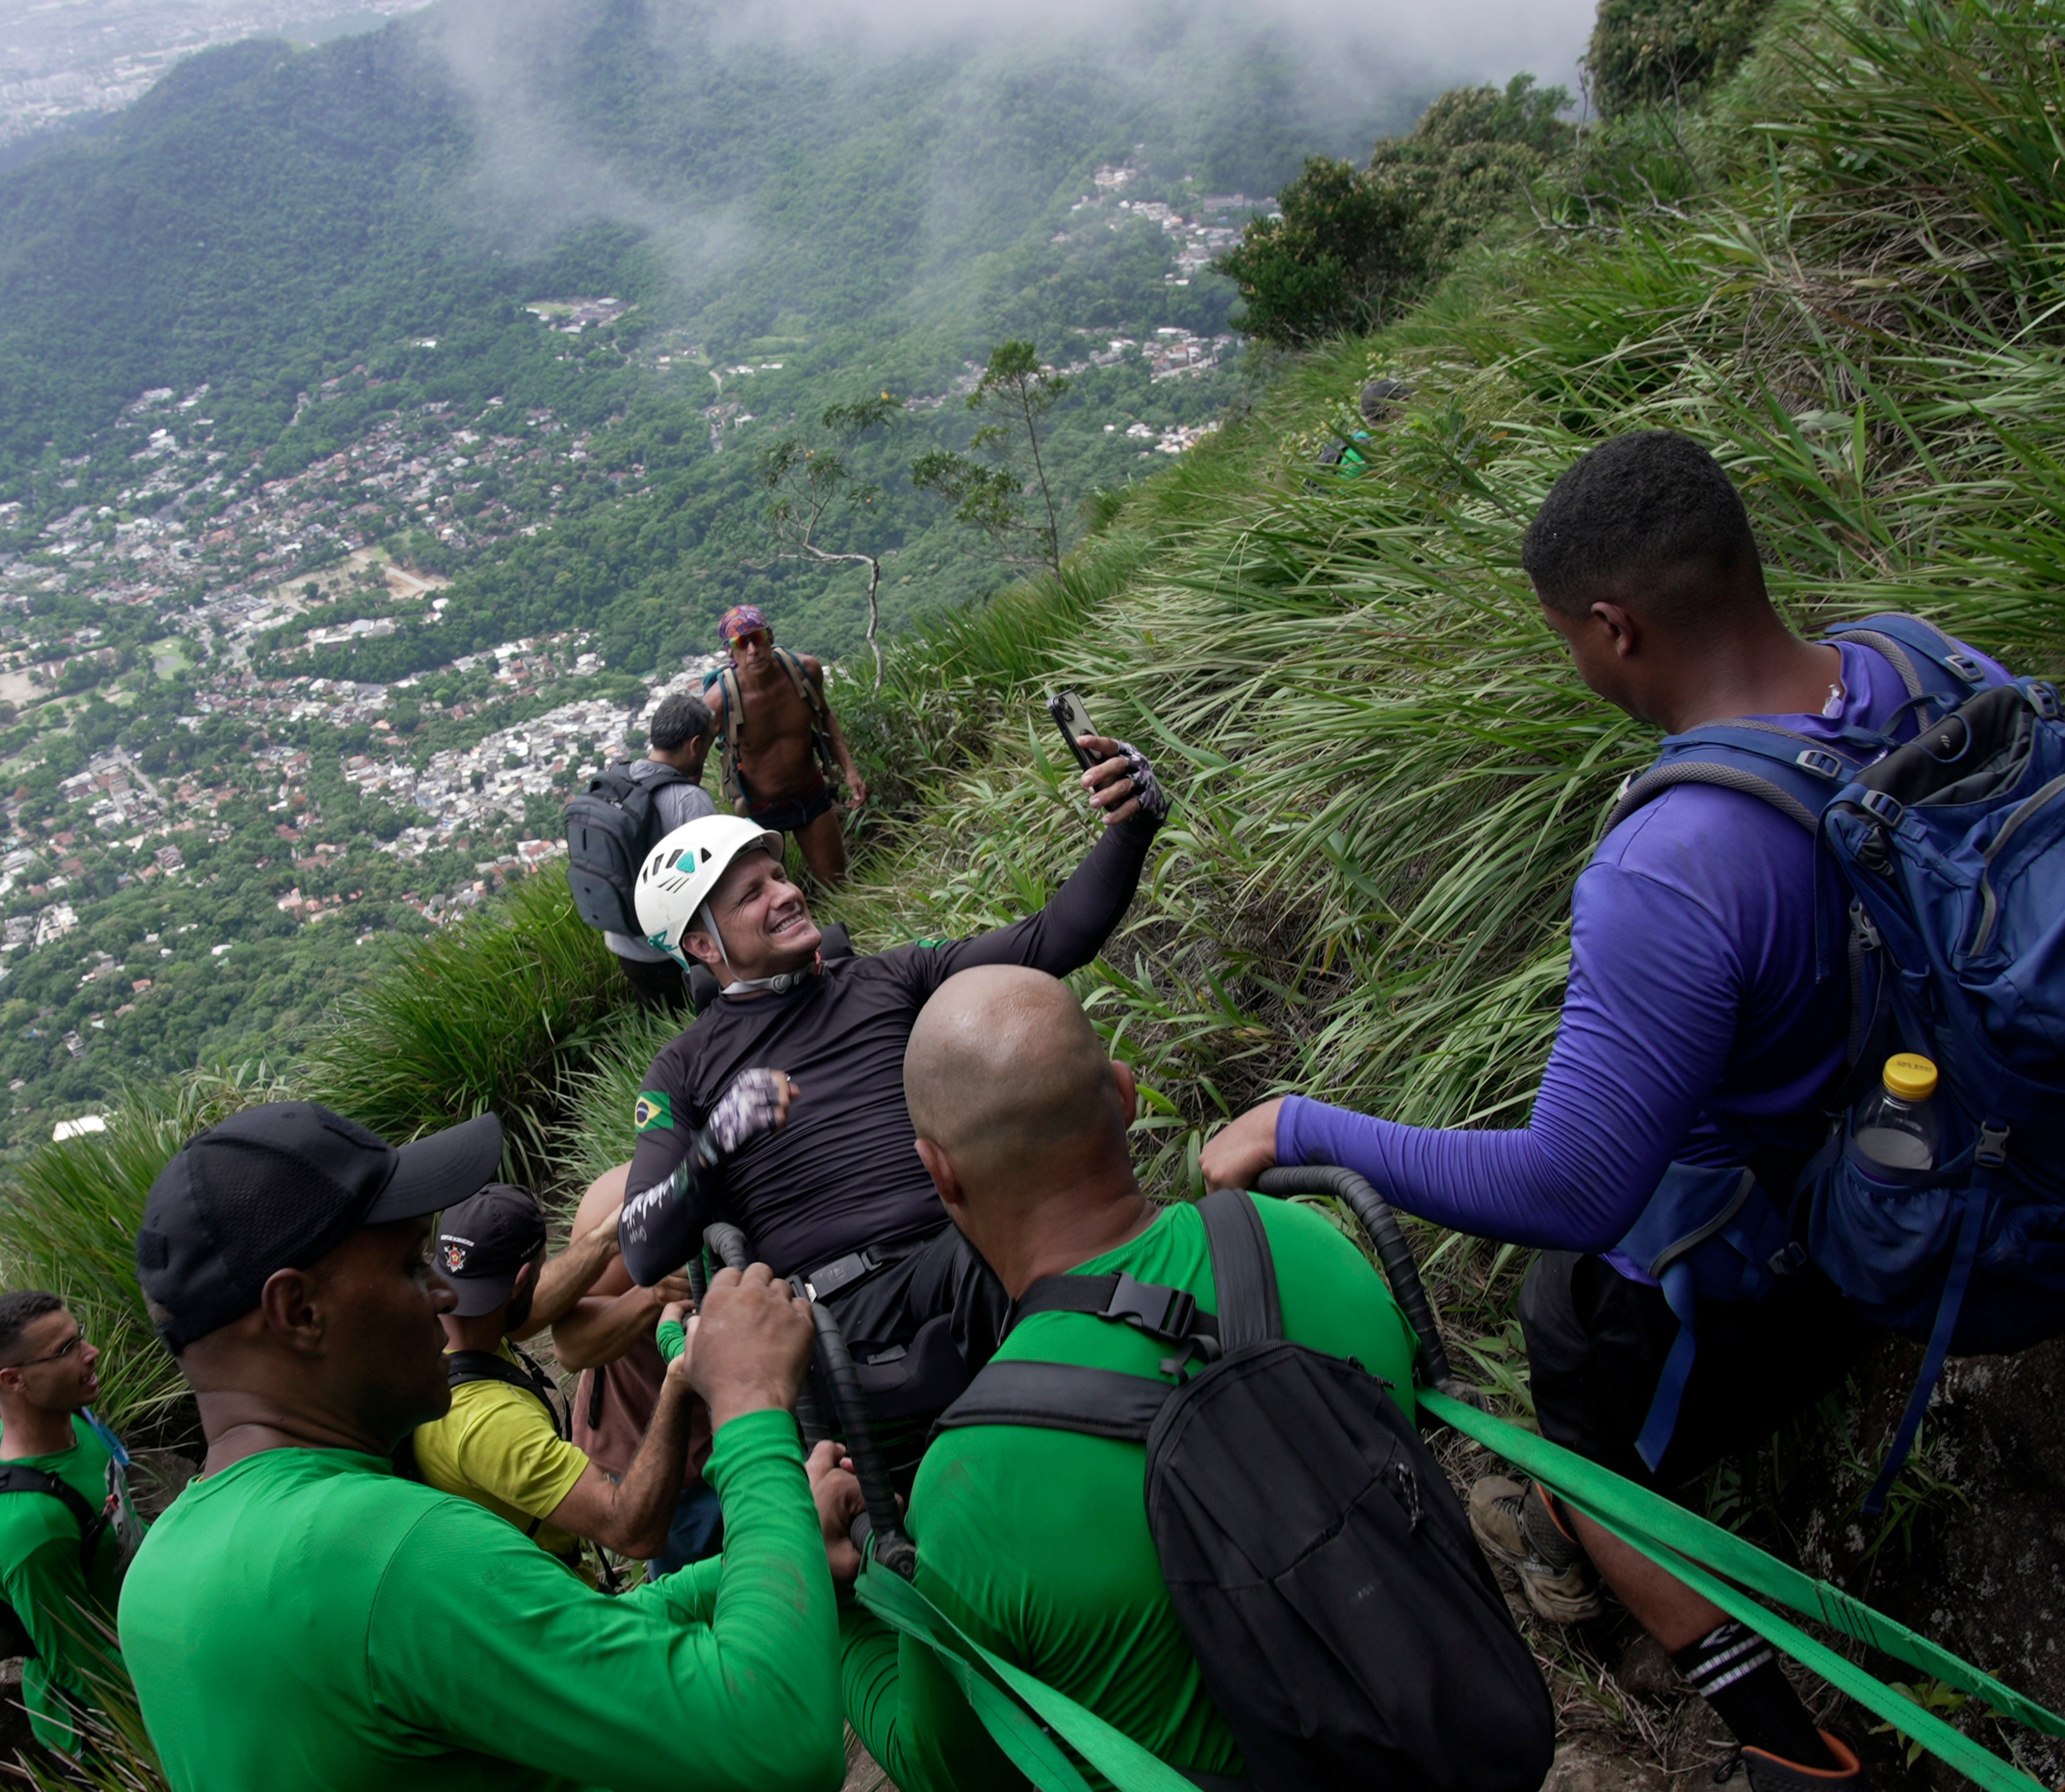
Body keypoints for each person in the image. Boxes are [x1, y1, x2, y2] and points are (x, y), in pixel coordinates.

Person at [1197, 430, 1993, 1791]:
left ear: (1615, 628)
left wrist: (1297, 1125)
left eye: (1568, 636)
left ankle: (1792, 1742)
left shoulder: (1673, 863)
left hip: (1804, 1252)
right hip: (1962, 1136)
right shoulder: (1920, 664)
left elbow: (1574, 1188)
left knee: (1575, 1361)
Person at [116, 1100, 847, 1792]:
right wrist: (749, 1401)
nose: (442, 1297)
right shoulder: (389, 1549)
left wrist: (772, 1548)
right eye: (410, 1266)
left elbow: (561, 1645)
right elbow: (775, 1742)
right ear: (299, 1311)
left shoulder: (158, 1574)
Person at [835, 964, 1419, 1789]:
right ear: (1125, 1091)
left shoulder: (971, 1485)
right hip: (1441, 1725)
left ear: (940, 1173)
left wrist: (838, 1607)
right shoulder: (1305, 1238)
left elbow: (945, 1772)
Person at [618, 730, 1169, 1474]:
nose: (787, 893)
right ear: (702, 947)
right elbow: (642, 1244)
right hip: (842, 1320)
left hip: (968, 1257)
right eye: (752, 895)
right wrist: (714, 1143)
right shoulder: (682, 1070)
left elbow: (1050, 942)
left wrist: (1131, 828)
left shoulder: (891, 979)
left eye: (777, 876)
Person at [405, 1181, 701, 1577]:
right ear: (523, 1281)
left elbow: (533, 1312)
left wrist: (605, 1240)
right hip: (548, 1604)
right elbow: (632, 1532)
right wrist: (676, 1384)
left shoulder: (429, 1344)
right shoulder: (491, 1424)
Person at [0, 1290, 144, 1755]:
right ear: (13, 1380)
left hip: (148, 1632)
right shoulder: (29, 1526)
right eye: (66, 1350)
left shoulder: (72, 1419)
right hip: (109, 1728)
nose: (91, 1352)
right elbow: (83, 1667)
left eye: (78, 1336)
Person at [551, 1165, 721, 1576]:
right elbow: (571, 1346)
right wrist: (652, 1295)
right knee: (694, 1601)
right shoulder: (623, 1199)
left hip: (777, 1435)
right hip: (679, 1467)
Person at [700, 605, 866, 888]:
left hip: (810, 794)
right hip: (758, 809)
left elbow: (825, 716)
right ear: (730, 651)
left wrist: (850, 771)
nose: (753, 650)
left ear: (771, 637)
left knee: (837, 884)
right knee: (772, 895)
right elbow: (695, 757)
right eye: (742, 643)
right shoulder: (719, 702)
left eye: (758, 638)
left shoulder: (804, 672)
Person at [597, 693, 723, 1006]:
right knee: (706, 1015)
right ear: (696, 745)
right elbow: (714, 881)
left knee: (660, 1017)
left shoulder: (617, 780)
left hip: (623, 941)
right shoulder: (688, 800)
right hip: (676, 949)